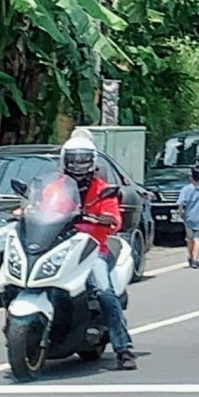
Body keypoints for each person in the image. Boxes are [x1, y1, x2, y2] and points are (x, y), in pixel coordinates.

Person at [61, 132, 137, 370]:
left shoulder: (103, 189)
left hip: (93, 249)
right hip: (61, 247)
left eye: (83, 159)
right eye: (73, 160)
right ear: (65, 161)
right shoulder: (57, 187)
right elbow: (42, 206)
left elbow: (114, 219)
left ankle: (124, 349)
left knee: (105, 293)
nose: (77, 164)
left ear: (92, 161)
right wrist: (27, 211)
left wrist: (104, 219)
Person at [177, 164, 199, 268]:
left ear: (191, 176)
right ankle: (195, 259)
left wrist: (180, 212)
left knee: (190, 238)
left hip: (189, 217)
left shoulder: (186, 189)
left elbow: (181, 203)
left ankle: (190, 256)